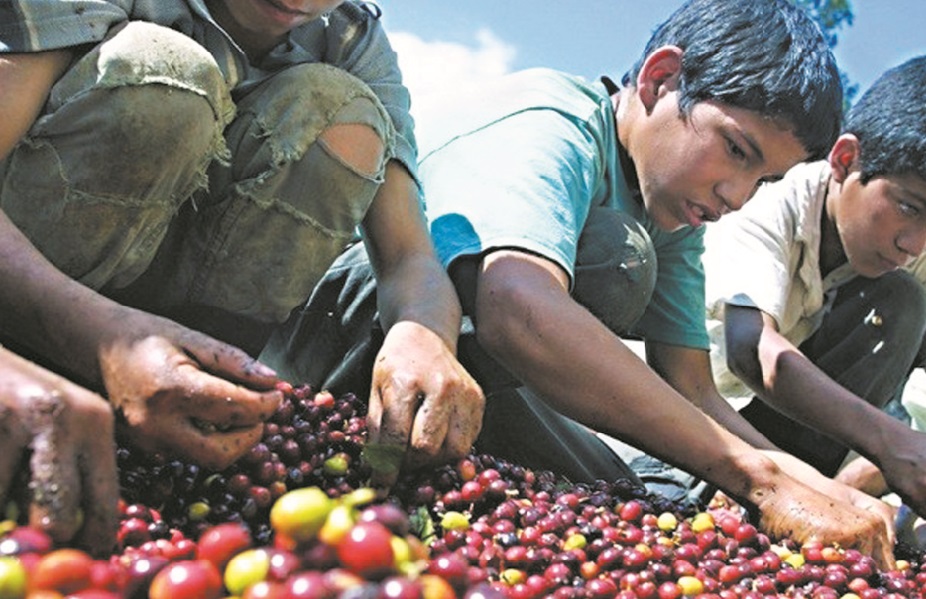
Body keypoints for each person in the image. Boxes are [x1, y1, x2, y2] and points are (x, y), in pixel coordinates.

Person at [267, 0, 896, 565]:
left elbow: (695, 392)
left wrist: (813, 485)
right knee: (614, 258)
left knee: (646, 500)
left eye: (763, 182)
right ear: (660, 79)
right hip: (352, 333)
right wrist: (760, 480)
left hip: (466, 380)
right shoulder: (553, 116)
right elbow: (516, 305)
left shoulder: (673, 212)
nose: (736, 196)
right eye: (736, 150)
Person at [0, 0, 482, 553]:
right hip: (23, 325)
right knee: (166, 71)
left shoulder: (348, 38)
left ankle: (193, 415)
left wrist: (423, 335)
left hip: (160, 358)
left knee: (340, 107)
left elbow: (408, 259)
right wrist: (104, 342)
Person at [703, 56, 926, 515]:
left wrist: (869, 471)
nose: (913, 244)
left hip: (808, 449)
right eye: (908, 206)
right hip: (708, 420)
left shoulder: (913, 249)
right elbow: (750, 348)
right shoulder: (769, 198)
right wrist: (888, 441)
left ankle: (818, 488)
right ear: (846, 161)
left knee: (903, 298)